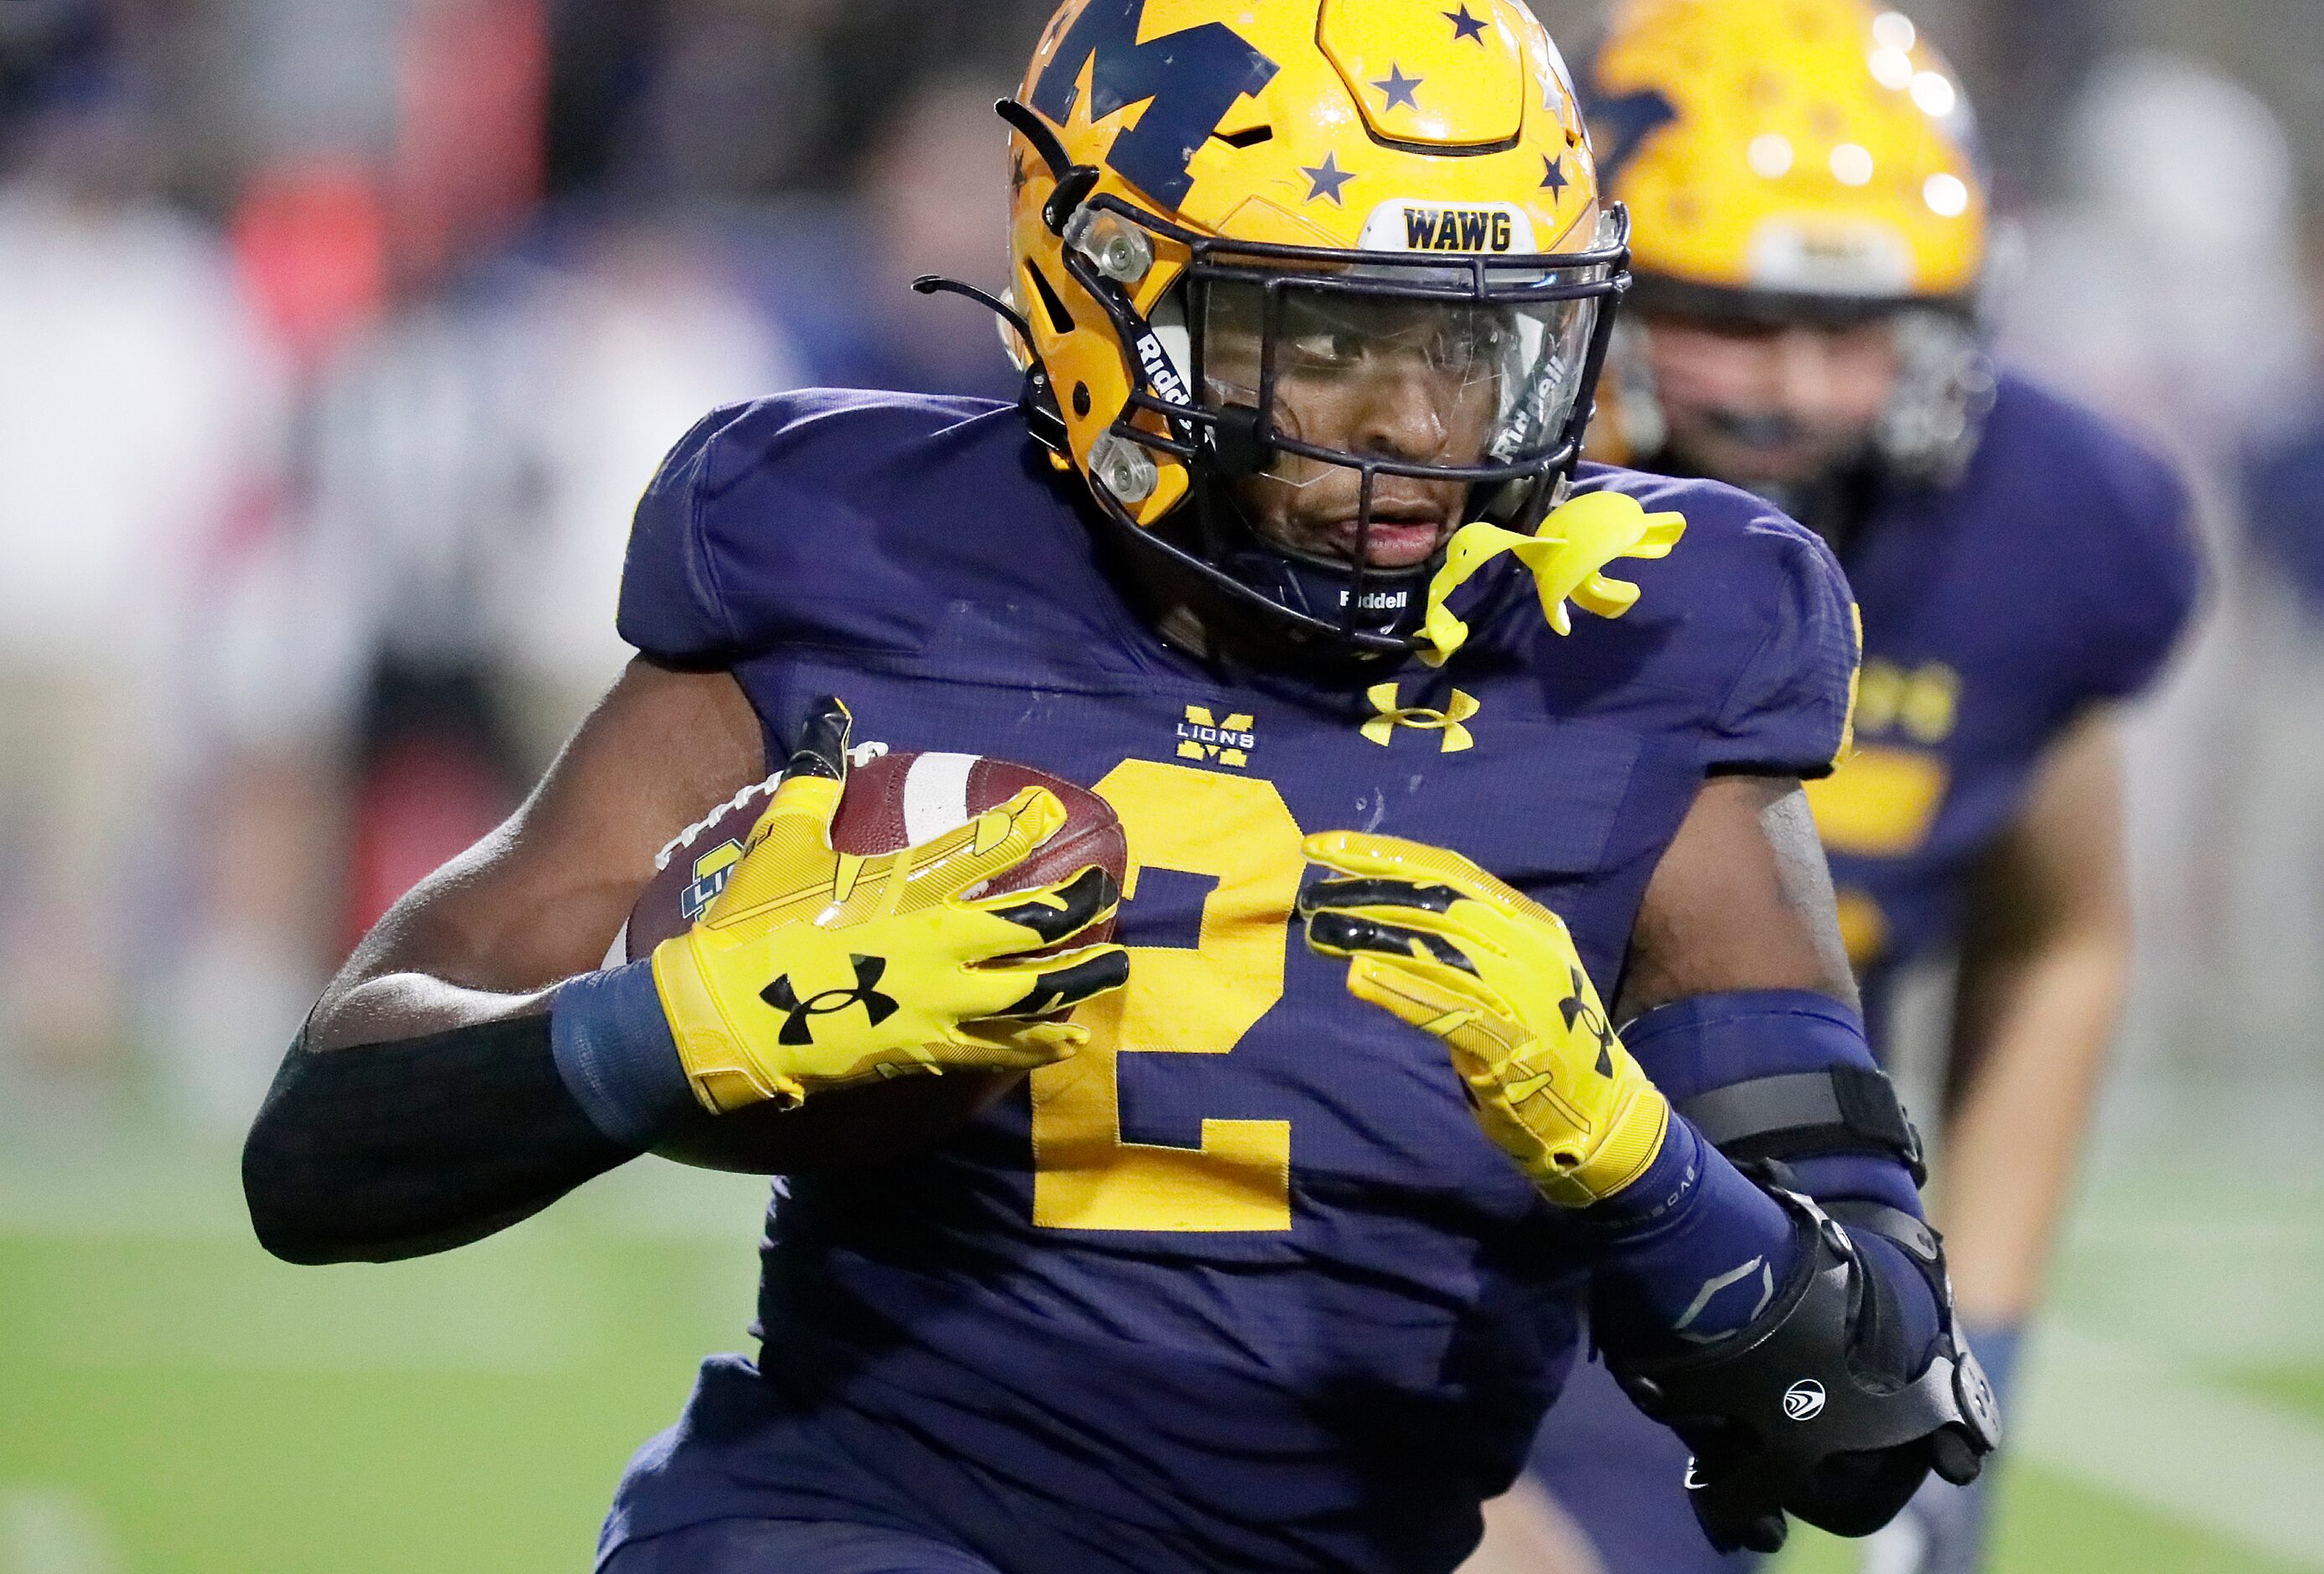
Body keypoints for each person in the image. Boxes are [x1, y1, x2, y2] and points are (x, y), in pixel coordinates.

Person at [241, 3, 1997, 1570]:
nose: (1412, 424)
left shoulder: (1642, 644)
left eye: (1470, 343)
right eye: (1323, 338)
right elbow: (321, 1155)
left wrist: (1633, 1154)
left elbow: (1862, 1425)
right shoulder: (847, 550)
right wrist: (668, 1028)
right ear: (1108, 300)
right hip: (858, 1516)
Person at [1506, 3, 2200, 1572]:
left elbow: (2059, 933)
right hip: (1380, 1204)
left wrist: (1981, 1323)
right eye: (1731, 320)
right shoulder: (1438, 490)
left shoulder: (2043, 529)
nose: (1801, 389)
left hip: (1707, 1213)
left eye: (1861, 326)